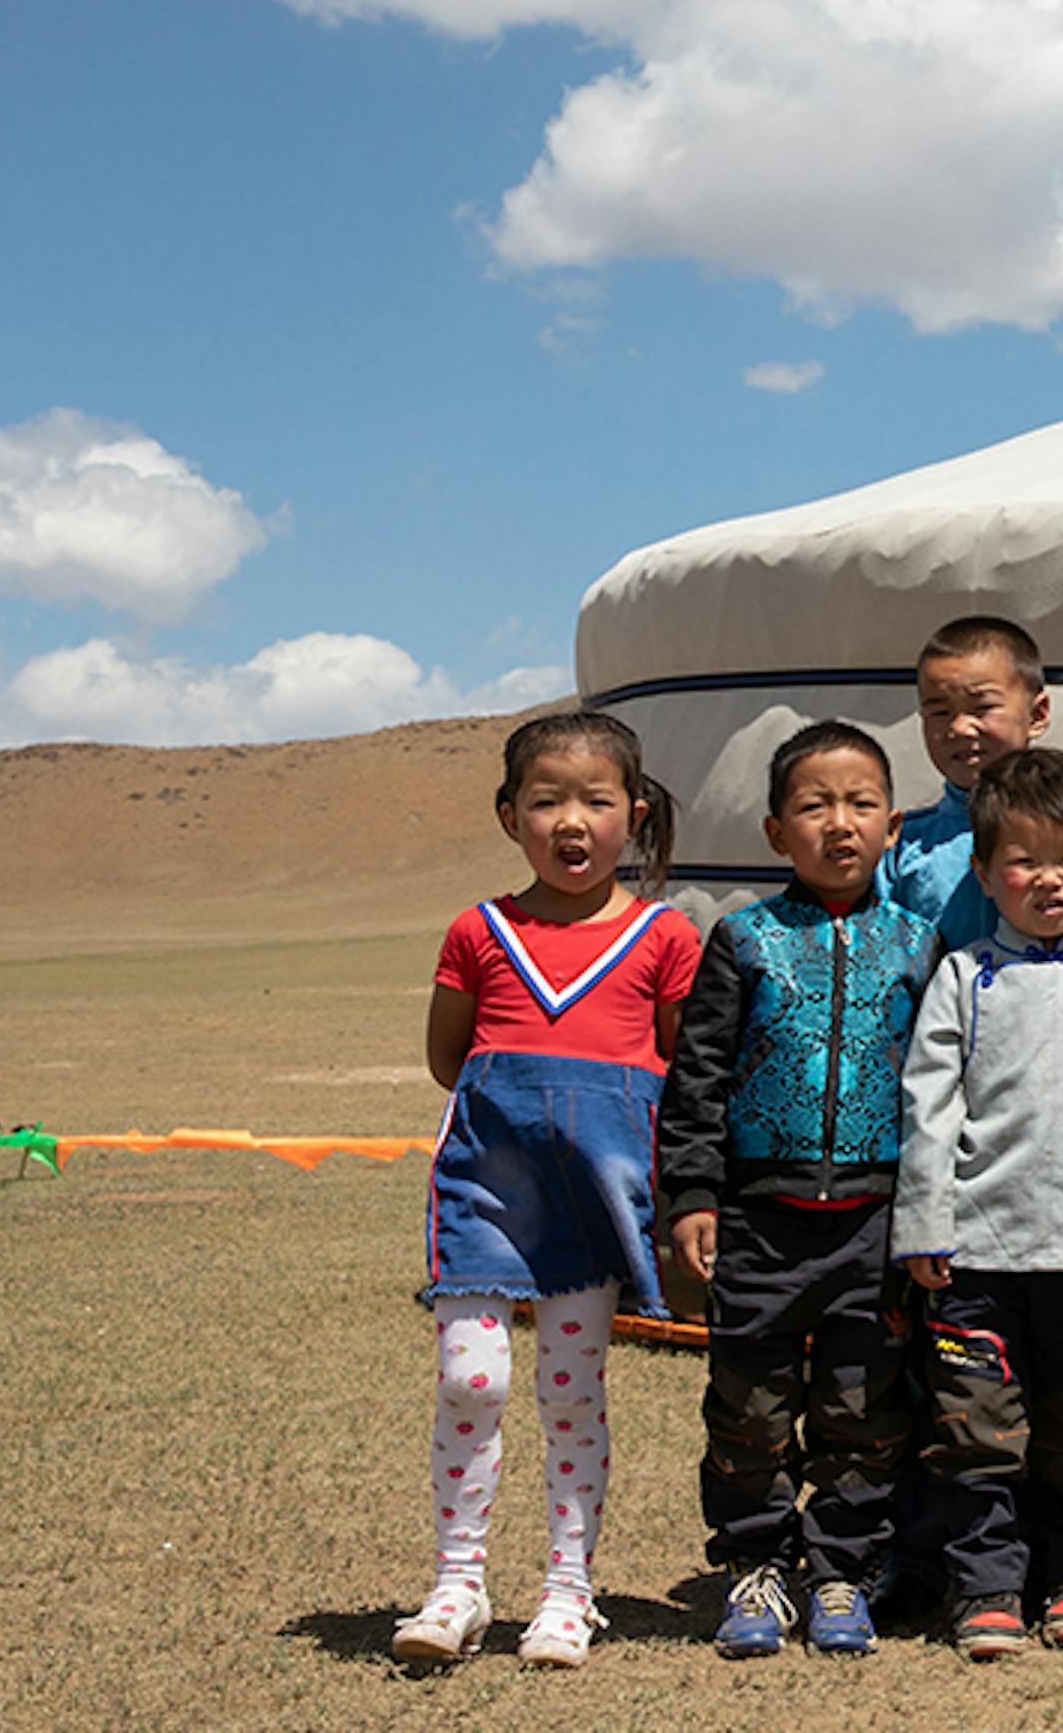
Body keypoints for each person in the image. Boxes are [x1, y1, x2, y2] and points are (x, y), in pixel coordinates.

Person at [393, 713, 699, 1668]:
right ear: (508, 813)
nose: (573, 822)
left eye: (597, 801)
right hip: (489, 1187)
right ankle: (458, 1582)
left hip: (597, 1200)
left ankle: (568, 1590)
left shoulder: (665, 936)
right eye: (546, 800)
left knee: (571, 1392)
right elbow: (451, 1059)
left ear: (635, 814)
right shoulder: (479, 931)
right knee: (469, 1379)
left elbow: (686, 1069)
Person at [656, 721, 940, 1658]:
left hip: (877, 1220)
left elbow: (940, 1090)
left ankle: (842, 1575)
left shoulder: (917, 944)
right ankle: (755, 1568)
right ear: (777, 830)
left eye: (861, 804)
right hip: (758, 1218)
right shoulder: (742, 939)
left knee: (863, 1411)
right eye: (814, 805)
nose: (840, 823)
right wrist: (692, 1196)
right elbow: (696, 1079)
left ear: (893, 824)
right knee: (749, 1408)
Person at [894, 748, 1063, 1659]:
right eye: (1024, 860)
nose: (1049, 879)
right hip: (978, 1253)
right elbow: (930, 1108)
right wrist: (925, 1223)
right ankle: (988, 1586)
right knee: (977, 1432)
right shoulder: (964, 979)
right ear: (982, 871)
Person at [883, 616, 1063, 955]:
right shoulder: (906, 847)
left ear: (1037, 714)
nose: (960, 728)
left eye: (982, 707)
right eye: (940, 712)